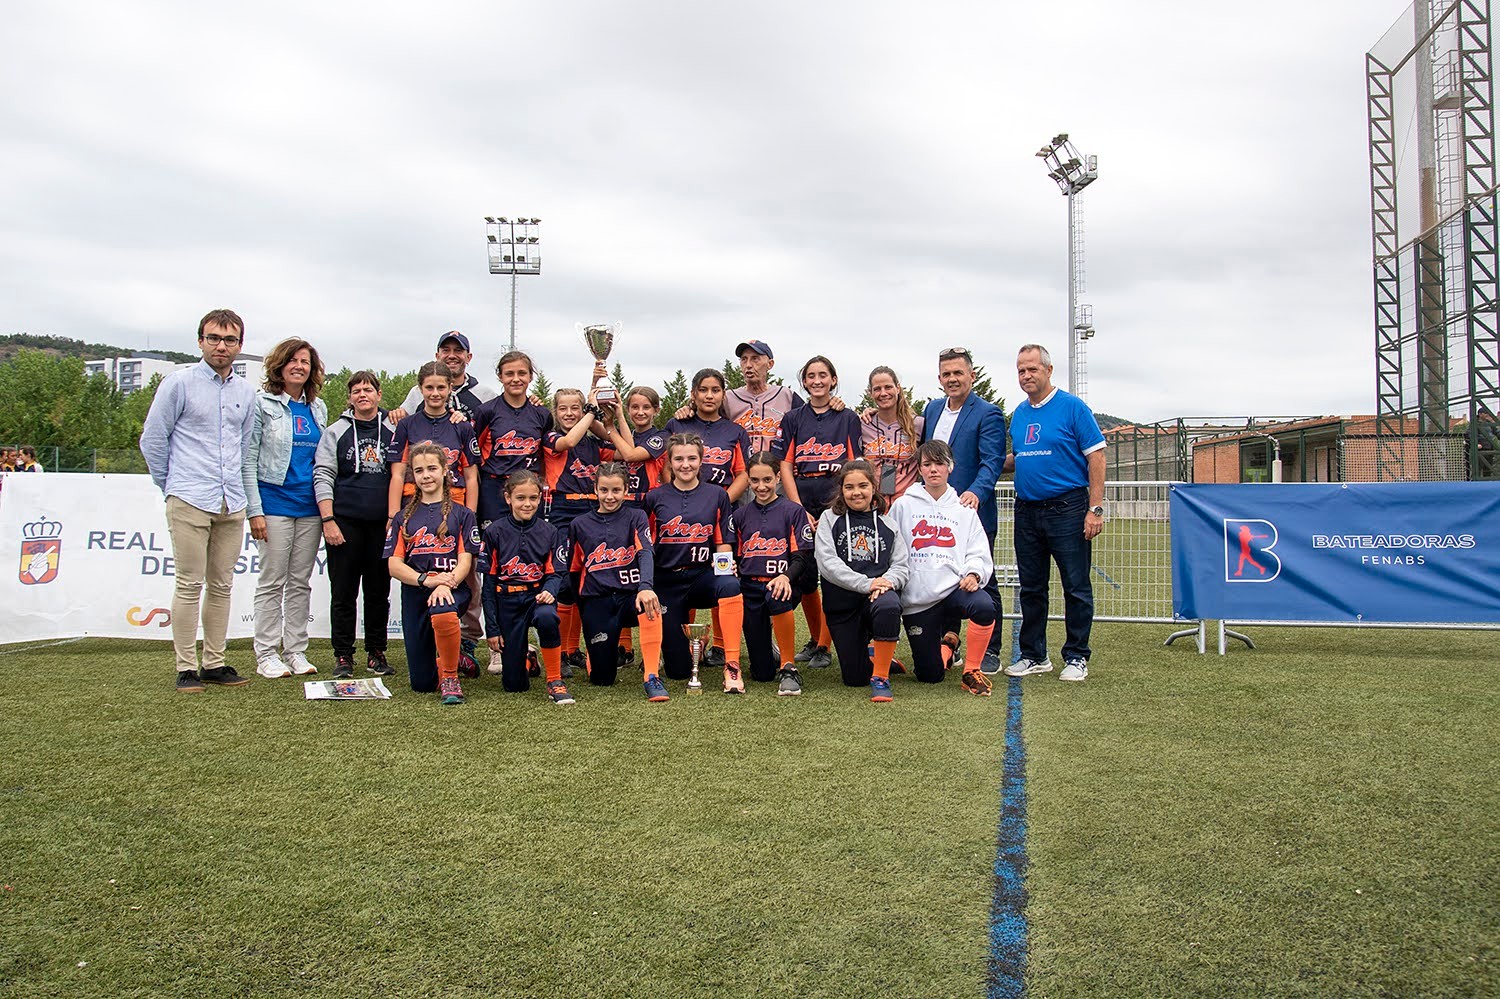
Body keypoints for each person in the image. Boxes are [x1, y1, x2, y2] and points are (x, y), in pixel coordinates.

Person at [139, 308, 257, 693]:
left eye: (230, 340)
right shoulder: (179, 384)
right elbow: (153, 440)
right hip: (189, 496)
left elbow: (244, 447)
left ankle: (214, 663)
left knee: (222, 585)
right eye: (214, 338)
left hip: (231, 501)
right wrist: (172, 486)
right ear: (201, 341)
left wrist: (239, 493)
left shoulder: (245, 393)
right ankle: (186, 667)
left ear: (239, 345)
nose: (221, 346)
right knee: (189, 584)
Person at [390, 331, 498, 668]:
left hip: (458, 506)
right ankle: (429, 640)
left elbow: (472, 475)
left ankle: (465, 641)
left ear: (451, 389)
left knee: (467, 575)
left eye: (441, 388)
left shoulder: (463, 422)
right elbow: (397, 473)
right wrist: (393, 516)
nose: (435, 393)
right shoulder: (409, 422)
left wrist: (471, 514)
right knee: (417, 565)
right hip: (414, 506)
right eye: (429, 387)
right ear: (420, 389)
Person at [1002, 344, 1106, 684]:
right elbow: (1020, 458)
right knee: (1031, 587)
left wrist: (1094, 508)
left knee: (1075, 585)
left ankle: (1076, 656)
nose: (1026, 375)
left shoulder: (1072, 407)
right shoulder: (1019, 413)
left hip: (1068, 508)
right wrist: (981, 463)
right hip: (1026, 510)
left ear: (1048, 370)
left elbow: (1096, 456)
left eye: (1032, 369)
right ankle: (1034, 655)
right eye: (1021, 370)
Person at [243, 338, 329, 679]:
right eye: (293, 360)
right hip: (274, 503)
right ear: (279, 365)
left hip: (309, 506)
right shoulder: (261, 404)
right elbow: (248, 458)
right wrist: (254, 510)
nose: (299, 366)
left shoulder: (317, 408)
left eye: (305, 361)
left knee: (299, 582)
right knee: (272, 581)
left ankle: (295, 651)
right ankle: (266, 653)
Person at [920, 346, 1007, 672]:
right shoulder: (932, 409)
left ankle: (990, 650)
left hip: (972, 514)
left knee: (984, 581)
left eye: (958, 373)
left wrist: (975, 493)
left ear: (972, 375)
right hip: (936, 515)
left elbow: (992, 462)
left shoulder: (988, 413)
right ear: (939, 378)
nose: (952, 379)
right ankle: (949, 644)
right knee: (942, 579)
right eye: (946, 374)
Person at [775, 355, 862, 672]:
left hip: (834, 497)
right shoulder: (793, 418)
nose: (817, 381)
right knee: (806, 574)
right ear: (804, 382)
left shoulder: (847, 417)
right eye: (810, 376)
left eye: (823, 375)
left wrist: (838, 505)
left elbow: (854, 464)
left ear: (833, 380)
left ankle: (825, 645)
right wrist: (797, 507)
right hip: (802, 495)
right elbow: (785, 464)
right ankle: (815, 639)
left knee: (832, 574)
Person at [889, 441, 997, 696]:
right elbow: (891, 548)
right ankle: (948, 646)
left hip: (953, 589)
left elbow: (978, 550)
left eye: (939, 464)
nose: (933, 470)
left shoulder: (963, 510)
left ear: (950, 467)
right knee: (930, 676)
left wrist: (974, 573)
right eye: (927, 464)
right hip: (918, 598)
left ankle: (971, 671)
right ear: (919, 469)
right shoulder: (903, 506)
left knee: (984, 605)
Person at [644, 434, 747, 694]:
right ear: (669, 462)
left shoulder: (717, 495)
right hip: (667, 580)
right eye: (679, 459)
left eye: (692, 458)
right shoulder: (654, 498)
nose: (685, 464)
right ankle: (693, 646)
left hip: (702, 576)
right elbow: (645, 544)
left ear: (701, 461)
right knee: (678, 670)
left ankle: (732, 664)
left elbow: (723, 541)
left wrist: (725, 570)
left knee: (730, 585)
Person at [314, 369, 397, 679]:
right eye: (357, 391)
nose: (363, 395)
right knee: (344, 593)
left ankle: (376, 652)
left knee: (378, 592)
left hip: (382, 525)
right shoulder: (335, 431)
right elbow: (323, 475)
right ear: (349, 397)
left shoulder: (393, 430)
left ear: (378, 395)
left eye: (368, 389)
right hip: (344, 523)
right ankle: (343, 655)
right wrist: (328, 519)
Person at [385, 443, 482, 705]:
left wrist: (445, 583)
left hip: (453, 587)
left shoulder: (463, 514)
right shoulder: (403, 517)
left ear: (444, 471)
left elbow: (465, 561)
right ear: (413, 476)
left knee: (442, 606)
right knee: (422, 684)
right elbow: (394, 565)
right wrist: (426, 580)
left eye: (431, 469)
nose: (426, 475)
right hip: (416, 591)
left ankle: (450, 676)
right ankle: (456, 657)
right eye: (419, 471)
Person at [566, 462, 666, 699]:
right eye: (604, 490)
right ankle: (595, 656)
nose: (609, 496)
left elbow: (645, 552)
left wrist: (645, 587)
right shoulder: (579, 524)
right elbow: (574, 570)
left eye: (616, 490)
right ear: (595, 489)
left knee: (651, 605)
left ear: (626, 490)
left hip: (630, 597)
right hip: (598, 599)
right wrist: (584, 606)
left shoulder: (636, 517)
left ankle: (652, 676)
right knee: (602, 679)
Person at [814, 460, 909, 702]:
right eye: (849, 487)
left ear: (873, 488)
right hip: (843, 605)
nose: (856, 492)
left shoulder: (888, 524)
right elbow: (827, 564)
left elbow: (901, 566)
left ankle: (881, 677)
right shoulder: (829, 519)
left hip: (877, 598)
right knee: (854, 678)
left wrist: (885, 583)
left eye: (863, 486)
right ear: (841, 490)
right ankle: (877, 655)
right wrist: (867, 584)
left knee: (888, 604)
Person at [479, 470, 572, 705]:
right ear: (508, 498)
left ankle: (555, 680)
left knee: (548, 617)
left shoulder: (549, 531)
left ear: (540, 499)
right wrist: (492, 629)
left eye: (533, 498)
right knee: (514, 685)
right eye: (520, 498)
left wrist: (550, 590)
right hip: (507, 601)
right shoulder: (494, 532)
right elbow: (488, 586)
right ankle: (527, 658)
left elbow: (556, 573)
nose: (527, 504)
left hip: (536, 597)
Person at [542, 384, 612, 678]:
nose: (569, 413)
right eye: (563, 408)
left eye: (575, 408)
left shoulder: (593, 442)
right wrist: (590, 412)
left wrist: (597, 413)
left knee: (588, 579)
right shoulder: (551, 437)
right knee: (563, 581)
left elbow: (617, 442)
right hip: (563, 510)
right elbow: (569, 441)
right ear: (555, 412)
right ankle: (559, 651)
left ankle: (574, 650)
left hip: (593, 510)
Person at [733, 452, 816, 694]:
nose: (761, 486)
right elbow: (734, 556)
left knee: (776, 594)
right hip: (751, 588)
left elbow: (802, 557)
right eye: (755, 480)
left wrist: (786, 576)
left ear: (778, 477)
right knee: (762, 674)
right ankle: (769, 650)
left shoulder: (793, 511)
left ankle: (789, 667)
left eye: (767, 479)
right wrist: (733, 567)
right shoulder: (740, 515)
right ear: (748, 480)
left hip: (784, 584)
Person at [472, 349, 553, 528]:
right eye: (509, 374)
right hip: (495, 487)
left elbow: (545, 454)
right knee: (494, 536)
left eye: (522, 373)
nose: (516, 379)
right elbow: (474, 456)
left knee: (532, 537)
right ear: (500, 377)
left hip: (529, 486)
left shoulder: (542, 414)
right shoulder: (486, 412)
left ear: (531, 376)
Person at [390, 331, 499, 423]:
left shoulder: (485, 395)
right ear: (437, 356)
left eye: (458, 350)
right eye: (446, 350)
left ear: (468, 357)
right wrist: (397, 414)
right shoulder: (418, 393)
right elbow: (402, 421)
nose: (451, 356)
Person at [723, 340, 802, 455]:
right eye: (744, 359)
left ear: (770, 364)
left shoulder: (787, 396)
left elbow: (811, 421)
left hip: (776, 465)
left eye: (755, 359)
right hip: (739, 465)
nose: (748, 365)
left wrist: (828, 403)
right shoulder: (728, 398)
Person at [861, 365, 924, 505]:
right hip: (872, 504)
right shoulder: (863, 424)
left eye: (888, 387)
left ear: (898, 388)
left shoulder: (918, 424)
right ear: (870, 393)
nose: (883, 393)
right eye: (877, 389)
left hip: (908, 505)